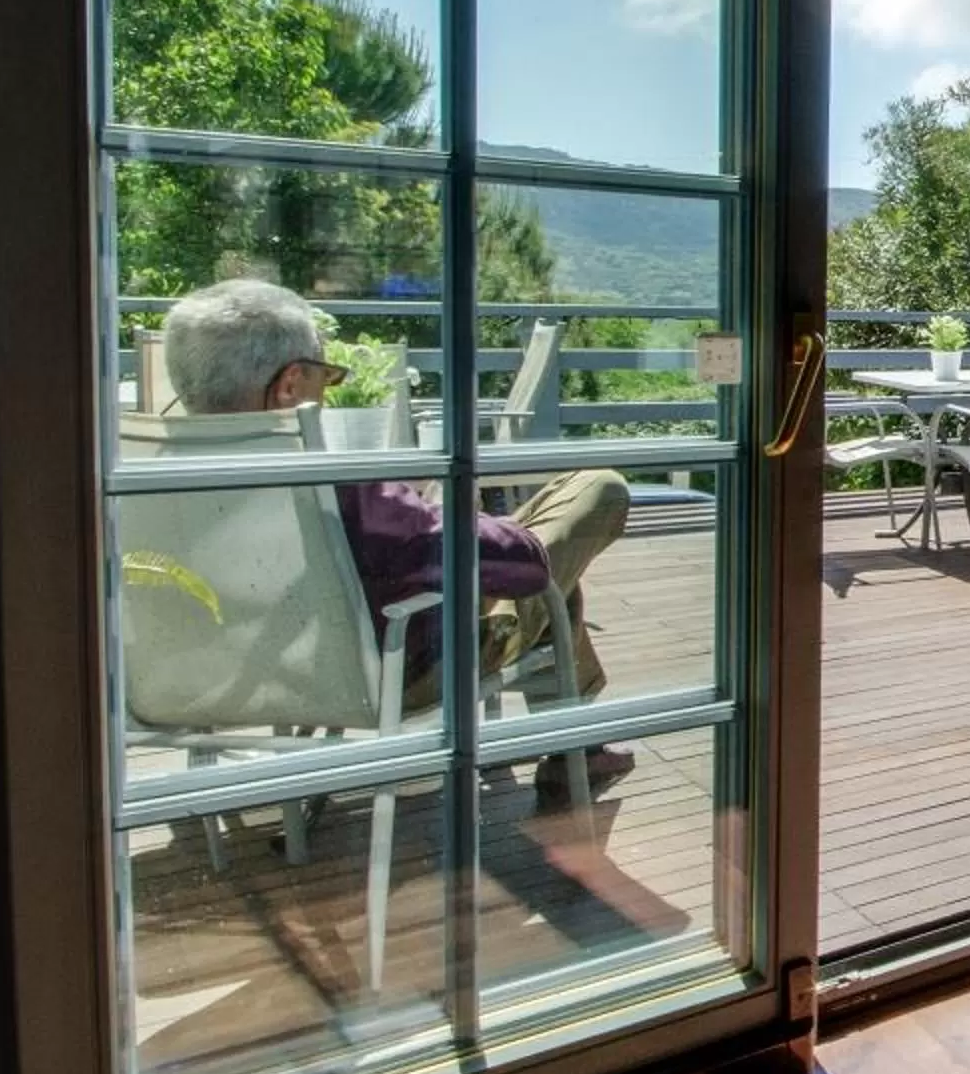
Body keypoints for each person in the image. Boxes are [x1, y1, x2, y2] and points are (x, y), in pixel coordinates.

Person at [161, 278, 634, 803]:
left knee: (526, 563)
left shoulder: (148, 479)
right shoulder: (334, 489)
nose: (329, 389)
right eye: (327, 376)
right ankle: (575, 747)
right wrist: (435, 512)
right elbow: (522, 566)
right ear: (291, 384)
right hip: (398, 669)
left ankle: (579, 749)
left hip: (242, 673)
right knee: (594, 497)